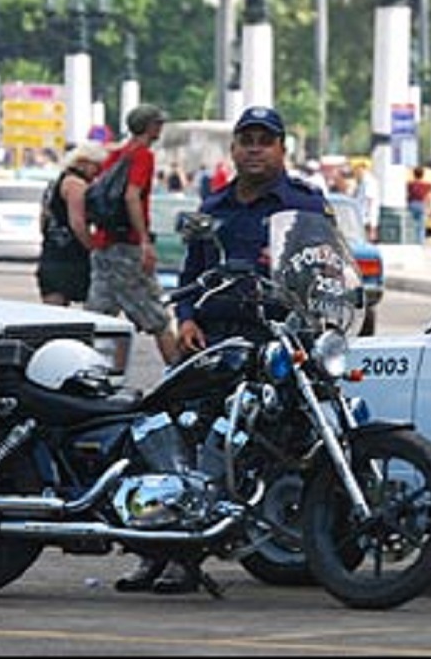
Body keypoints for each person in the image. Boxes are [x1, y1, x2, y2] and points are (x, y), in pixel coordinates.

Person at [115, 105, 332, 597]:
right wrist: (186, 317)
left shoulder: (305, 206)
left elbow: (327, 272)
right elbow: (190, 278)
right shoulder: (211, 209)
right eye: (246, 139)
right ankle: (162, 552)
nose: (255, 148)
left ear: (282, 149)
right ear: (233, 149)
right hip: (215, 344)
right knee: (173, 435)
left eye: (265, 140)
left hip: (275, 343)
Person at [84, 104, 180, 366]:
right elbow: (131, 195)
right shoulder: (143, 156)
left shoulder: (115, 155)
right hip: (126, 246)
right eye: (158, 123)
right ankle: (180, 376)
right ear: (149, 126)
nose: (160, 128)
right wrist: (145, 241)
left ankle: (89, 368)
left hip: (104, 244)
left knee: (99, 316)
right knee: (157, 316)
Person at [36, 142, 106, 306]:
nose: (97, 173)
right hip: (70, 256)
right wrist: (91, 247)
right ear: (83, 163)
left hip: (51, 253)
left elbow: (43, 219)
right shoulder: (76, 185)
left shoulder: (55, 183)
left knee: (54, 313)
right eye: (96, 166)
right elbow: (77, 223)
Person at [351, 159, 381, 243]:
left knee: (367, 241)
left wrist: (370, 223)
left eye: (357, 170)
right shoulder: (362, 181)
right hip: (363, 217)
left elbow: (370, 201)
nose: (356, 173)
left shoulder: (369, 182)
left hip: (366, 218)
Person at [406, 166, 431, 245]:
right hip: (422, 204)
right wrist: (429, 208)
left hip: (411, 204)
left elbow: (407, 195)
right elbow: (429, 197)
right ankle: (420, 243)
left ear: (414, 174)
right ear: (423, 174)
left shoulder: (409, 184)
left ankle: (412, 241)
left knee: (411, 224)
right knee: (421, 226)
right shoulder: (428, 185)